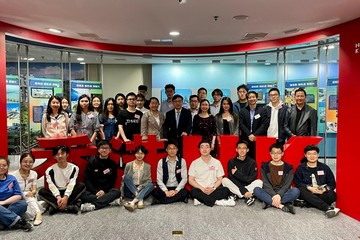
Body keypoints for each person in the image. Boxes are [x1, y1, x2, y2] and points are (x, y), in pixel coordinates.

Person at [294, 145, 340, 218]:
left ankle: (306, 203)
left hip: (321, 193)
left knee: (332, 194)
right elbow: (298, 183)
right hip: (308, 192)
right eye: (309, 154)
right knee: (301, 190)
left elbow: (332, 183)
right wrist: (309, 188)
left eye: (314, 154)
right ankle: (326, 208)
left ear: (318, 155)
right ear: (305, 155)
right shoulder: (301, 168)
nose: (312, 156)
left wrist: (324, 189)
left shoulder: (325, 167)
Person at [253, 143, 300, 214]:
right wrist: (274, 195)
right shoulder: (265, 166)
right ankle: (281, 205)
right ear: (270, 153)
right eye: (273, 153)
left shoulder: (288, 167)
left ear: (282, 154)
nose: (275, 155)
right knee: (256, 190)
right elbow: (266, 183)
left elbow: (287, 184)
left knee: (296, 191)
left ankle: (268, 202)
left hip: (283, 191)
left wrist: (279, 195)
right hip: (269, 191)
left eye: (278, 153)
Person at [38, 146, 86, 215]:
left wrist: (66, 197)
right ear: (55, 157)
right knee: (41, 191)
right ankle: (67, 207)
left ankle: (56, 207)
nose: (60, 156)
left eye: (62, 153)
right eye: (57, 154)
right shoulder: (50, 170)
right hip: (56, 193)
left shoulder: (74, 168)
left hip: (69, 191)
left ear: (67, 155)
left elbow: (72, 183)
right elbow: (51, 185)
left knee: (82, 186)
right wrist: (58, 197)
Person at [188, 141, 235, 207]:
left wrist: (213, 188)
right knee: (193, 191)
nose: (204, 149)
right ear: (199, 149)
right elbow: (191, 180)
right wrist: (202, 188)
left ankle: (201, 200)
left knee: (225, 190)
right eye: (202, 147)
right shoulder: (194, 163)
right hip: (200, 189)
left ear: (211, 149)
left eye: (207, 147)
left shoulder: (216, 162)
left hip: (213, 189)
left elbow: (220, 179)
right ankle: (217, 202)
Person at [80, 140, 121, 212]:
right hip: (93, 191)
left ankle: (94, 205)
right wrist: (96, 191)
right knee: (82, 194)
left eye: (106, 148)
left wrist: (104, 191)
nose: (104, 150)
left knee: (117, 192)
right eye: (102, 148)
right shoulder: (92, 162)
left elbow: (112, 181)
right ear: (98, 150)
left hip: (106, 191)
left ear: (110, 150)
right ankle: (109, 201)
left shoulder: (112, 164)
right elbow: (87, 179)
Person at [222, 141, 263, 206]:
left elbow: (251, 179)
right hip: (237, 186)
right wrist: (244, 190)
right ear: (236, 150)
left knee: (259, 182)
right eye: (240, 148)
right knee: (224, 180)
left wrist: (237, 173)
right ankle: (247, 195)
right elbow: (231, 178)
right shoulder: (231, 162)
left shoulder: (252, 162)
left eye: (244, 148)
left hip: (248, 186)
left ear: (247, 150)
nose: (242, 150)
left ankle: (238, 195)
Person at [0, 156, 32, 231]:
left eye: (4, 165)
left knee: (23, 204)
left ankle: (3, 222)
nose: (1, 167)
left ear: (7, 166)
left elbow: (18, 195)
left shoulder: (11, 178)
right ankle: (19, 221)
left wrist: (3, 202)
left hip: (9, 205)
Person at [12, 153, 43, 226]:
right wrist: (25, 194)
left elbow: (34, 189)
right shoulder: (13, 175)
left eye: (30, 162)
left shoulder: (34, 174)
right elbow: (13, 192)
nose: (28, 164)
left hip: (30, 197)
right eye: (25, 162)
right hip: (18, 197)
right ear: (20, 162)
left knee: (30, 214)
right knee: (28, 215)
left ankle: (38, 213)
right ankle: (38, 212)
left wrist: (32, 192)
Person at [121, 145, 153, 212]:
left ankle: (132, 202)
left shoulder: (147, 166)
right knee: (126, 177)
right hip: (130, 190)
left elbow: (148, 180)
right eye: (138, 153)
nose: (140, 155)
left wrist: (140, 187)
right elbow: (123, 181)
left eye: (142, 153)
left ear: (144, 155)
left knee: (151, 184)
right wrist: (122, 194)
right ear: (135, 154)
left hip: (141, 188)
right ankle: (140, 199)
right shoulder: (128, 165)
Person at [239, 91, 269, 159]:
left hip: (258, 138)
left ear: (256, 98)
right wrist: (249, 135)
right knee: (246, 158)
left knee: (259, 158)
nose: (251, 99)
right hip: (246, 138)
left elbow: (264, 124)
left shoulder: (262, 110)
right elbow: (241, 124)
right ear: (247, 99)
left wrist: (254, 135)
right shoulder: (243, 111)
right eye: (249, 97)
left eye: (253, 97)